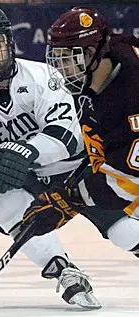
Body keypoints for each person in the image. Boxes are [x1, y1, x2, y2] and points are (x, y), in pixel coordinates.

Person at [0, 7, 101, 309]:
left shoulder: (43, 77)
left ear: (9, 44)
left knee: (126, 231)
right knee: (4, 206)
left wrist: (28, 152)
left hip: (79, 171)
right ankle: (63, 270)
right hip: (32, 183)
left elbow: (67, 133)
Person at [21, 7, 139, 263]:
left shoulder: (131, 90)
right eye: (58, 58)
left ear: (90, 53)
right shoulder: (100, 69)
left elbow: (130, 175)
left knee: (128, 217)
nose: (61, 68)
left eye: (68, 58)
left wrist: (72, 197)